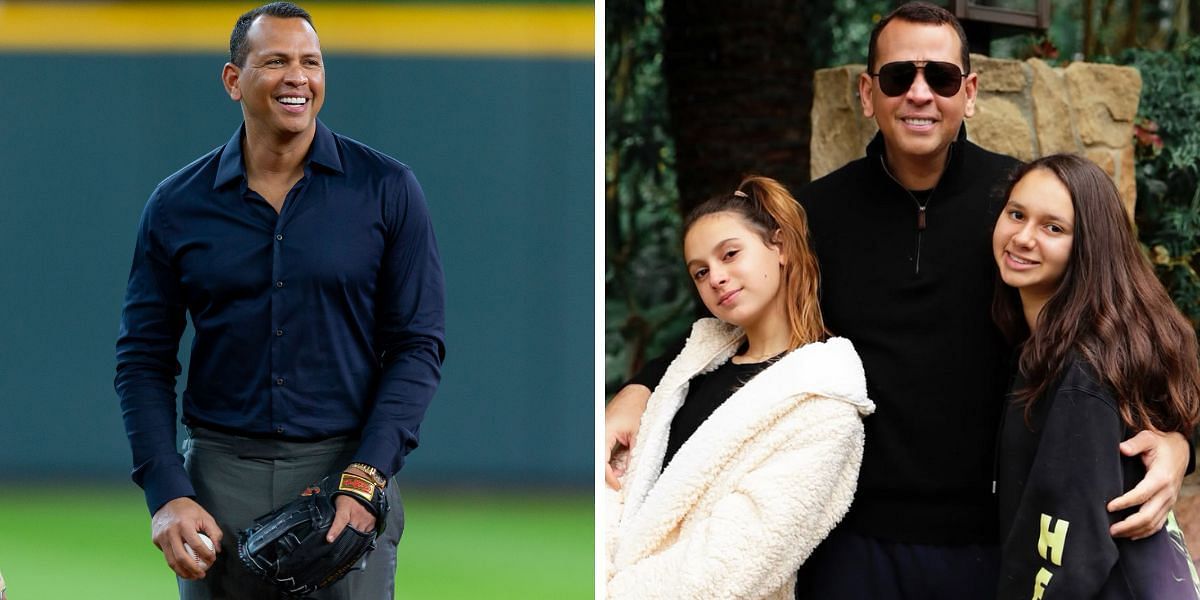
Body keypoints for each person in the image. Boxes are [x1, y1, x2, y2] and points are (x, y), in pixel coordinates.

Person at [605, 3, 1191, 598]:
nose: (918, 94)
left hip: (989, 544)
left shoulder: (1019, 209)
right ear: (867, 93)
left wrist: (1175, 443)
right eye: (896, 77)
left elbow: (1125, 321)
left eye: (939, 77)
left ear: (969, 92)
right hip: (848, 544)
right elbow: (723, 320)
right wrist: (639, 389)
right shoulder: (813, 217)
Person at [113, 3, 445, 598]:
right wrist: (167, 493)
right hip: (218, 477)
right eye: (276, 61)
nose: (299, 77)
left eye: (311, 62)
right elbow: (142, 360)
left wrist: (367, 474)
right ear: (233, 80)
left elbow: (418, 346)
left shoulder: (387, 189)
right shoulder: (176, 205)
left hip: (344, 470)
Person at [606, 176, 873, 599]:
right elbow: (615, 491)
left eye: (730, 254)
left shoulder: (823, 403)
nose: (716, 277)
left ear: (780, 247)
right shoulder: (689, 371)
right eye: (700, 271)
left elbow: (732, 563)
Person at [992, 154, 1200, 599]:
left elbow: (1070, 556)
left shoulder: (1081, 373)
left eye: (1053, 228)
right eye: (1016, 214)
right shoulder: (1043, 344)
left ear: (1088, 246)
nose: (1023, 237)